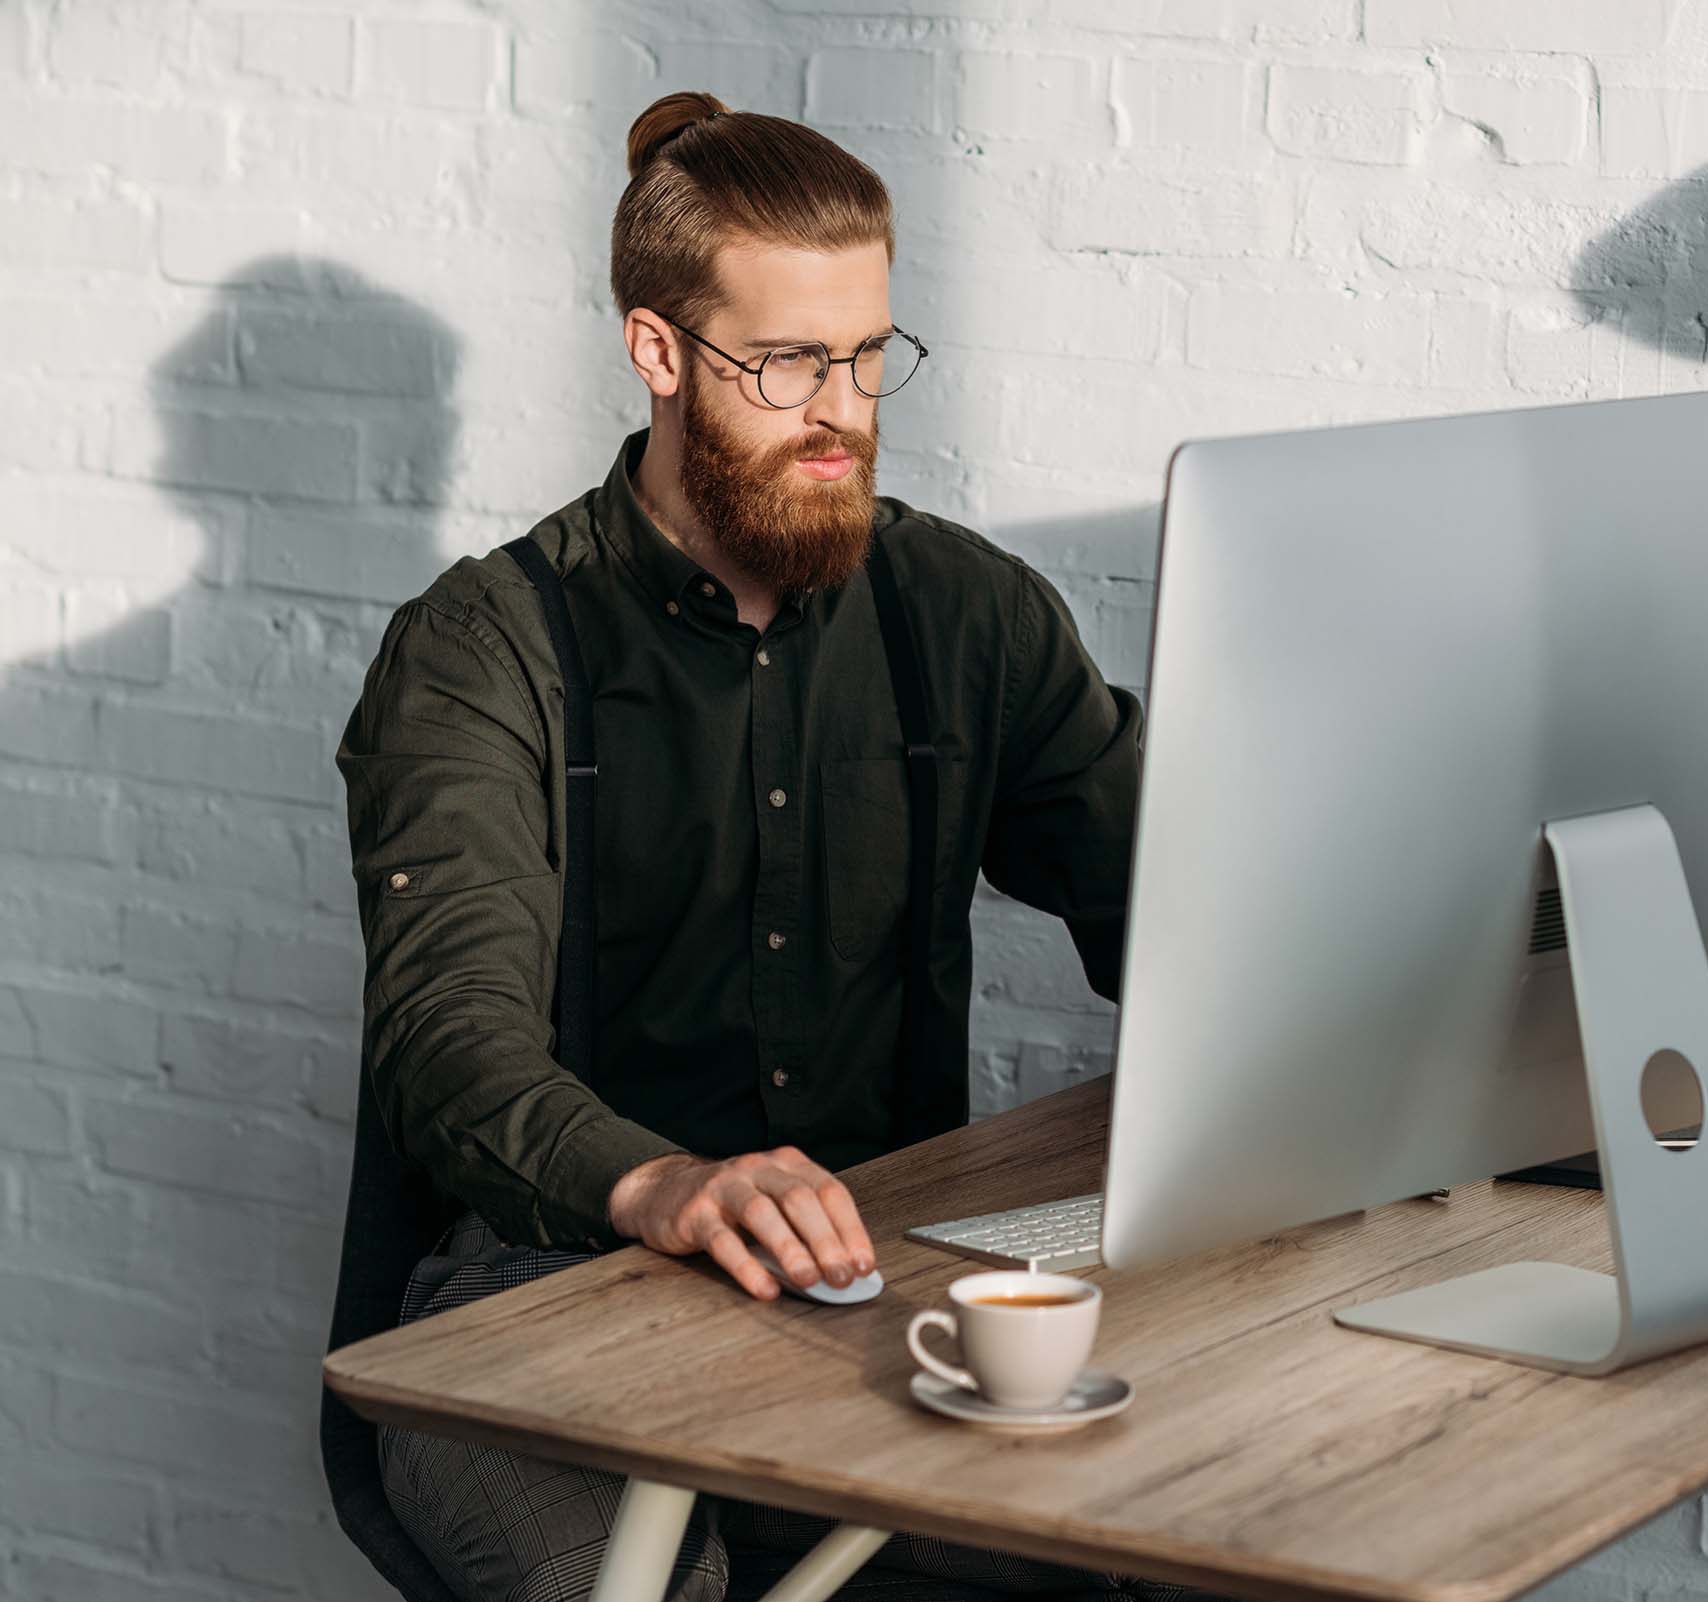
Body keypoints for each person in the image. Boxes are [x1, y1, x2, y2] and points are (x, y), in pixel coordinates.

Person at [336, 89, 1197, 1602]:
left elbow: (1180, 909)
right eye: (790, 361)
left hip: (880, 1284)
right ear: (658, 350)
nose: (842, 412)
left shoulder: (966, 612)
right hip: (550, 1290)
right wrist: (667, 1182)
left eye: (869, 356)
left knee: (1209, 1522)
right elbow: (448, 1047)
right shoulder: (484, 647)